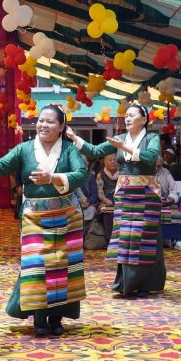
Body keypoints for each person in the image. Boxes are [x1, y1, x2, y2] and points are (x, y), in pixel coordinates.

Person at [0, 104, 86, 337]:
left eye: (50, 121)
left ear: (62, 126)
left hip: (67, 216)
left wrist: (52, 178)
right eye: (41, 120)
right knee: (37, 267)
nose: (43, 125)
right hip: (35, 217)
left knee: (63, 267)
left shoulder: (69, 149)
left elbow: (81, 174)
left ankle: (57, 318)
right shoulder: (24, 149)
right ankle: (39, 318)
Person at [67, 104, 165, 298]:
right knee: (126, 237)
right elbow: (94, 151)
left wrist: (124, 147)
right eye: (126, 115)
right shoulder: (120, 138)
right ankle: (127, 282)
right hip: (125, 194)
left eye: (131, 115)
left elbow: (151, 157)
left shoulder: (151, 138)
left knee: (144, 237)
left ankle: (145, 283)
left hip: (147, 194)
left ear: (144, 119)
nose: (127, 118)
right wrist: (74, 137)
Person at [156, 156, 181, 251]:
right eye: (155, 166)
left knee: (177, 214)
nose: (157, 168)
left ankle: (177, 240)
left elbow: (173, 188)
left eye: (159, 166)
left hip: (165, 202)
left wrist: (171, 199)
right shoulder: (145, 172)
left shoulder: (166, 172)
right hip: (150, 202)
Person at [95, 153, 119, 246]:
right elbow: (100, 192)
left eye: (115, 160)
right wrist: (105, 200)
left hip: (119, 197)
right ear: (105, 162)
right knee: (106, 211)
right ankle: (109, 239)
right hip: (106, 198)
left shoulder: (123, 173)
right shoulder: (100, 175)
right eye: (110, 160)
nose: (113, 162)